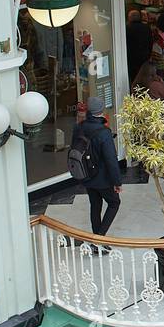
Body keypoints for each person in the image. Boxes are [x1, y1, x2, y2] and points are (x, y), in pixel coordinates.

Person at [72, 97, 122, 239]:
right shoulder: (104, 132)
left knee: (95, 205)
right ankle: (99, 238)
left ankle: (96, 237)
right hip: (103, 178)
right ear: (102, 111)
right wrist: (117, 182)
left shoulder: (79, 127)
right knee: (114, 203)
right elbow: (111, 160)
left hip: (86, 174)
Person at [125, 9, 153, 85]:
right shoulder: (146, 28)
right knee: (144, 78)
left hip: (131, 59)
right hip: (144, 57)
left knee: (134, 78)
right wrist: (149, 55)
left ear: (129, 18)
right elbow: (150, 42)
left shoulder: (126, 29)